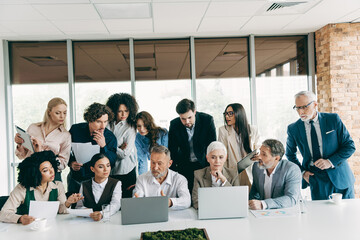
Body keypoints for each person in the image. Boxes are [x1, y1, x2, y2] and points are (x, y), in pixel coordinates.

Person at [286, 91, 356, 200]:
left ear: (315, 104)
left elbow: (349, 146)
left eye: (304, 107)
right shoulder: (293, 129)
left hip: (341, 176)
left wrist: (330, 162)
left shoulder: (333, 120)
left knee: (348, 214)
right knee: (322, 216)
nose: (301, 112)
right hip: (316, 179)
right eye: (297, 108)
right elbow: (290, 155)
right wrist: (302, 172)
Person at [0, 151, 82, 224]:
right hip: (26, 230)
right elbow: (3, 214)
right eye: (45, 170)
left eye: (51, 167)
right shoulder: (22, 188)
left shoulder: (57, 185)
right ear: (35, 174)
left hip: (50, 228)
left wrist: (68, 203)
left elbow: (61, 211)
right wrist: (20, 219)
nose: (51, 171)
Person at [14, 97, 71, 181]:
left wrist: (43, 153)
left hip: (52, 177)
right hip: (30, 173)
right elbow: (21, 156)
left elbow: (63, 164)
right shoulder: (33, 128)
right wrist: (19, 144)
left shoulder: (66, 135)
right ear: (49, 112)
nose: (62, 116)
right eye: (58, 113)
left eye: (65, 113)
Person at [67, 103, 117, 195]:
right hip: (75, 178)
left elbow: (112, 162)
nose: (103, 126)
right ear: (90, 120)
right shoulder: (75, 130)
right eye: (99, 122)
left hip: (96, 181)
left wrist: (103, 146)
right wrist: (71, 162)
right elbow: (65, 150)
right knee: (72, 206)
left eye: (105, 121)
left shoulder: (109, 137)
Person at [168, 98, 216, 192]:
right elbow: (172, 150)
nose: (187, 122)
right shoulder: (174, 124)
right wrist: (173, 173)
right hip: (184, 165)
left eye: (189, 117)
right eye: (183, 119)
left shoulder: (207, 120)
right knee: (187, 194)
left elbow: (212, 146)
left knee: (204, 194)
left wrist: (212, 166)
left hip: (203, 163)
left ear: (195, 112)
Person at [133, 145, 191, 210]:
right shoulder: (141, 179)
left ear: (169, 163)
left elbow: (187, 200)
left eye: (159, 163)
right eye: (153, 162)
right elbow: (137, 198)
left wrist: (169, 202)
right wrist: (137, 202)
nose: (155, 167)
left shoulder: (179, 179)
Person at [249, 139, 301, 210]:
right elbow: (255, 191)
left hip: (286, 211)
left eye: (264, 154)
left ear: (276, 158)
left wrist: (263, 204)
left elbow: (291, 198)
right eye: (260, 152)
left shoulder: (291, 169)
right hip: (263, 213)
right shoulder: (257, 167)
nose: (259, 157)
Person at [218, 103, 260, 186]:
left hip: (250, 171)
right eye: (226, 114)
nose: (227, 117)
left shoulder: (253, 129)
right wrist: (226, 176)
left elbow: (258, 148)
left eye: (230, 114)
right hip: (233, 172)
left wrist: (258, 154)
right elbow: (222, 154)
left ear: (239, 114)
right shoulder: (223, 130)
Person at [192, 141, 242, 209]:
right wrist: (213, 209)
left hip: (228, 210)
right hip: (207, 212)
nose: (217, 161)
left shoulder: (233, 174)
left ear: (225, 158)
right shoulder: (198, 174)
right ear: (207, 158)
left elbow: (237, 199)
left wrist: (224, 180)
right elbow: (195, 201)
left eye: (221, 157)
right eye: (213, 157)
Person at [106, 93, 138, 198]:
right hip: (109, 172)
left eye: (126, 111)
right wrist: (117, 148)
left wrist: (108, 146)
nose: (123, 114)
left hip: (126, 172)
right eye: (120, 111)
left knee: (127, 204)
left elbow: (124, 154)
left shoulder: (130, 128)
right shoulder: (107, 124)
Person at [74, 153, 121, 221]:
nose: (106, 169)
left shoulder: (116, 183)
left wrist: (102, 214)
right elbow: (79, 206)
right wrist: (89, 212)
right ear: (92, 169)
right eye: (101, 167)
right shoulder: (84, 185)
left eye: (108, 166)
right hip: (88, 222)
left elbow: (116, 204)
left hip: (108, 221)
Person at [135, 111, 168, 175]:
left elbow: (166, 156)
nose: (141, 129)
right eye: (139, 126)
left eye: (144, 125)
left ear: (149, 124)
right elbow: (142, 160)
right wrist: (142, 179)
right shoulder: (138, 137)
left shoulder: (163, 133)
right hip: (153, 166)